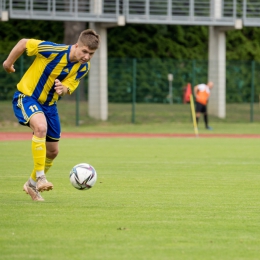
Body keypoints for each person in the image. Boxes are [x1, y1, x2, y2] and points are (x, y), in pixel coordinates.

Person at [3, 29, 100, 201]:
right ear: (76, 45)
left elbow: (69, 86)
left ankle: (31, 184)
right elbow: (24, 42)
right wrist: (8, 64)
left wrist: (63, 89)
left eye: (91, 54)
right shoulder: (53, 50)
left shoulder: (84, 67)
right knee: (40, 127)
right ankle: (41, 177)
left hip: (49, 106)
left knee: (53, 152)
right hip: (27, 97)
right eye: (84, 51)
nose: (87, 56)